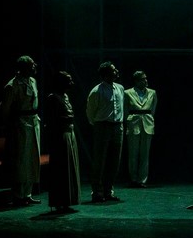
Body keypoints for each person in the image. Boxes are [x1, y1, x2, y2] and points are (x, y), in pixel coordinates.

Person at [0, 55, 42, 207]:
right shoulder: (12, 85)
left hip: (33, 122)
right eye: (31, 65)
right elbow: (5, 109)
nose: (34, 67)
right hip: (20, 124)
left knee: (32, 157)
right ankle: (18, 194)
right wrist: (12, 126)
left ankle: (27, 193)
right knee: (21, 159)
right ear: (23, 68)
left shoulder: (33, 81)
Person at [86, 61, 124, 203]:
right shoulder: (97, 91)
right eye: (113, 70)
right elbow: (90, 112)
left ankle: (108, 191)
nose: (116, 71)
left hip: (117, 126)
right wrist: (98, 125)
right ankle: (97, 192)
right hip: (103, 126)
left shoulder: (120, 88)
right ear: (106, 74)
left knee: (114, 161)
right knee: (100, 161)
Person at [45, 70, 81, 214]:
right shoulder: (53, 98)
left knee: (70, 167)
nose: (71, 83)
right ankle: (59, 201)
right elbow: (51, 120)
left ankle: (67, 201)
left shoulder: (65, 96)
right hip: (60, 134)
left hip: (69, 132)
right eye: (68, 80)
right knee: (61, 168)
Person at [124, 70, 157, 188]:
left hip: (147, 123)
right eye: (143, 79)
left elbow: (153, 109)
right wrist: (129, 121)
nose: (146, 81)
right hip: (133, 124)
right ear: (137, 81)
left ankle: (142, 180)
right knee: (133, 153)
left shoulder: (152, 92)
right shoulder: (127, 93)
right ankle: (133, 178)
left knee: (145, 153)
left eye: (146, 78)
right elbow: (125, 109)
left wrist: (149, 119)